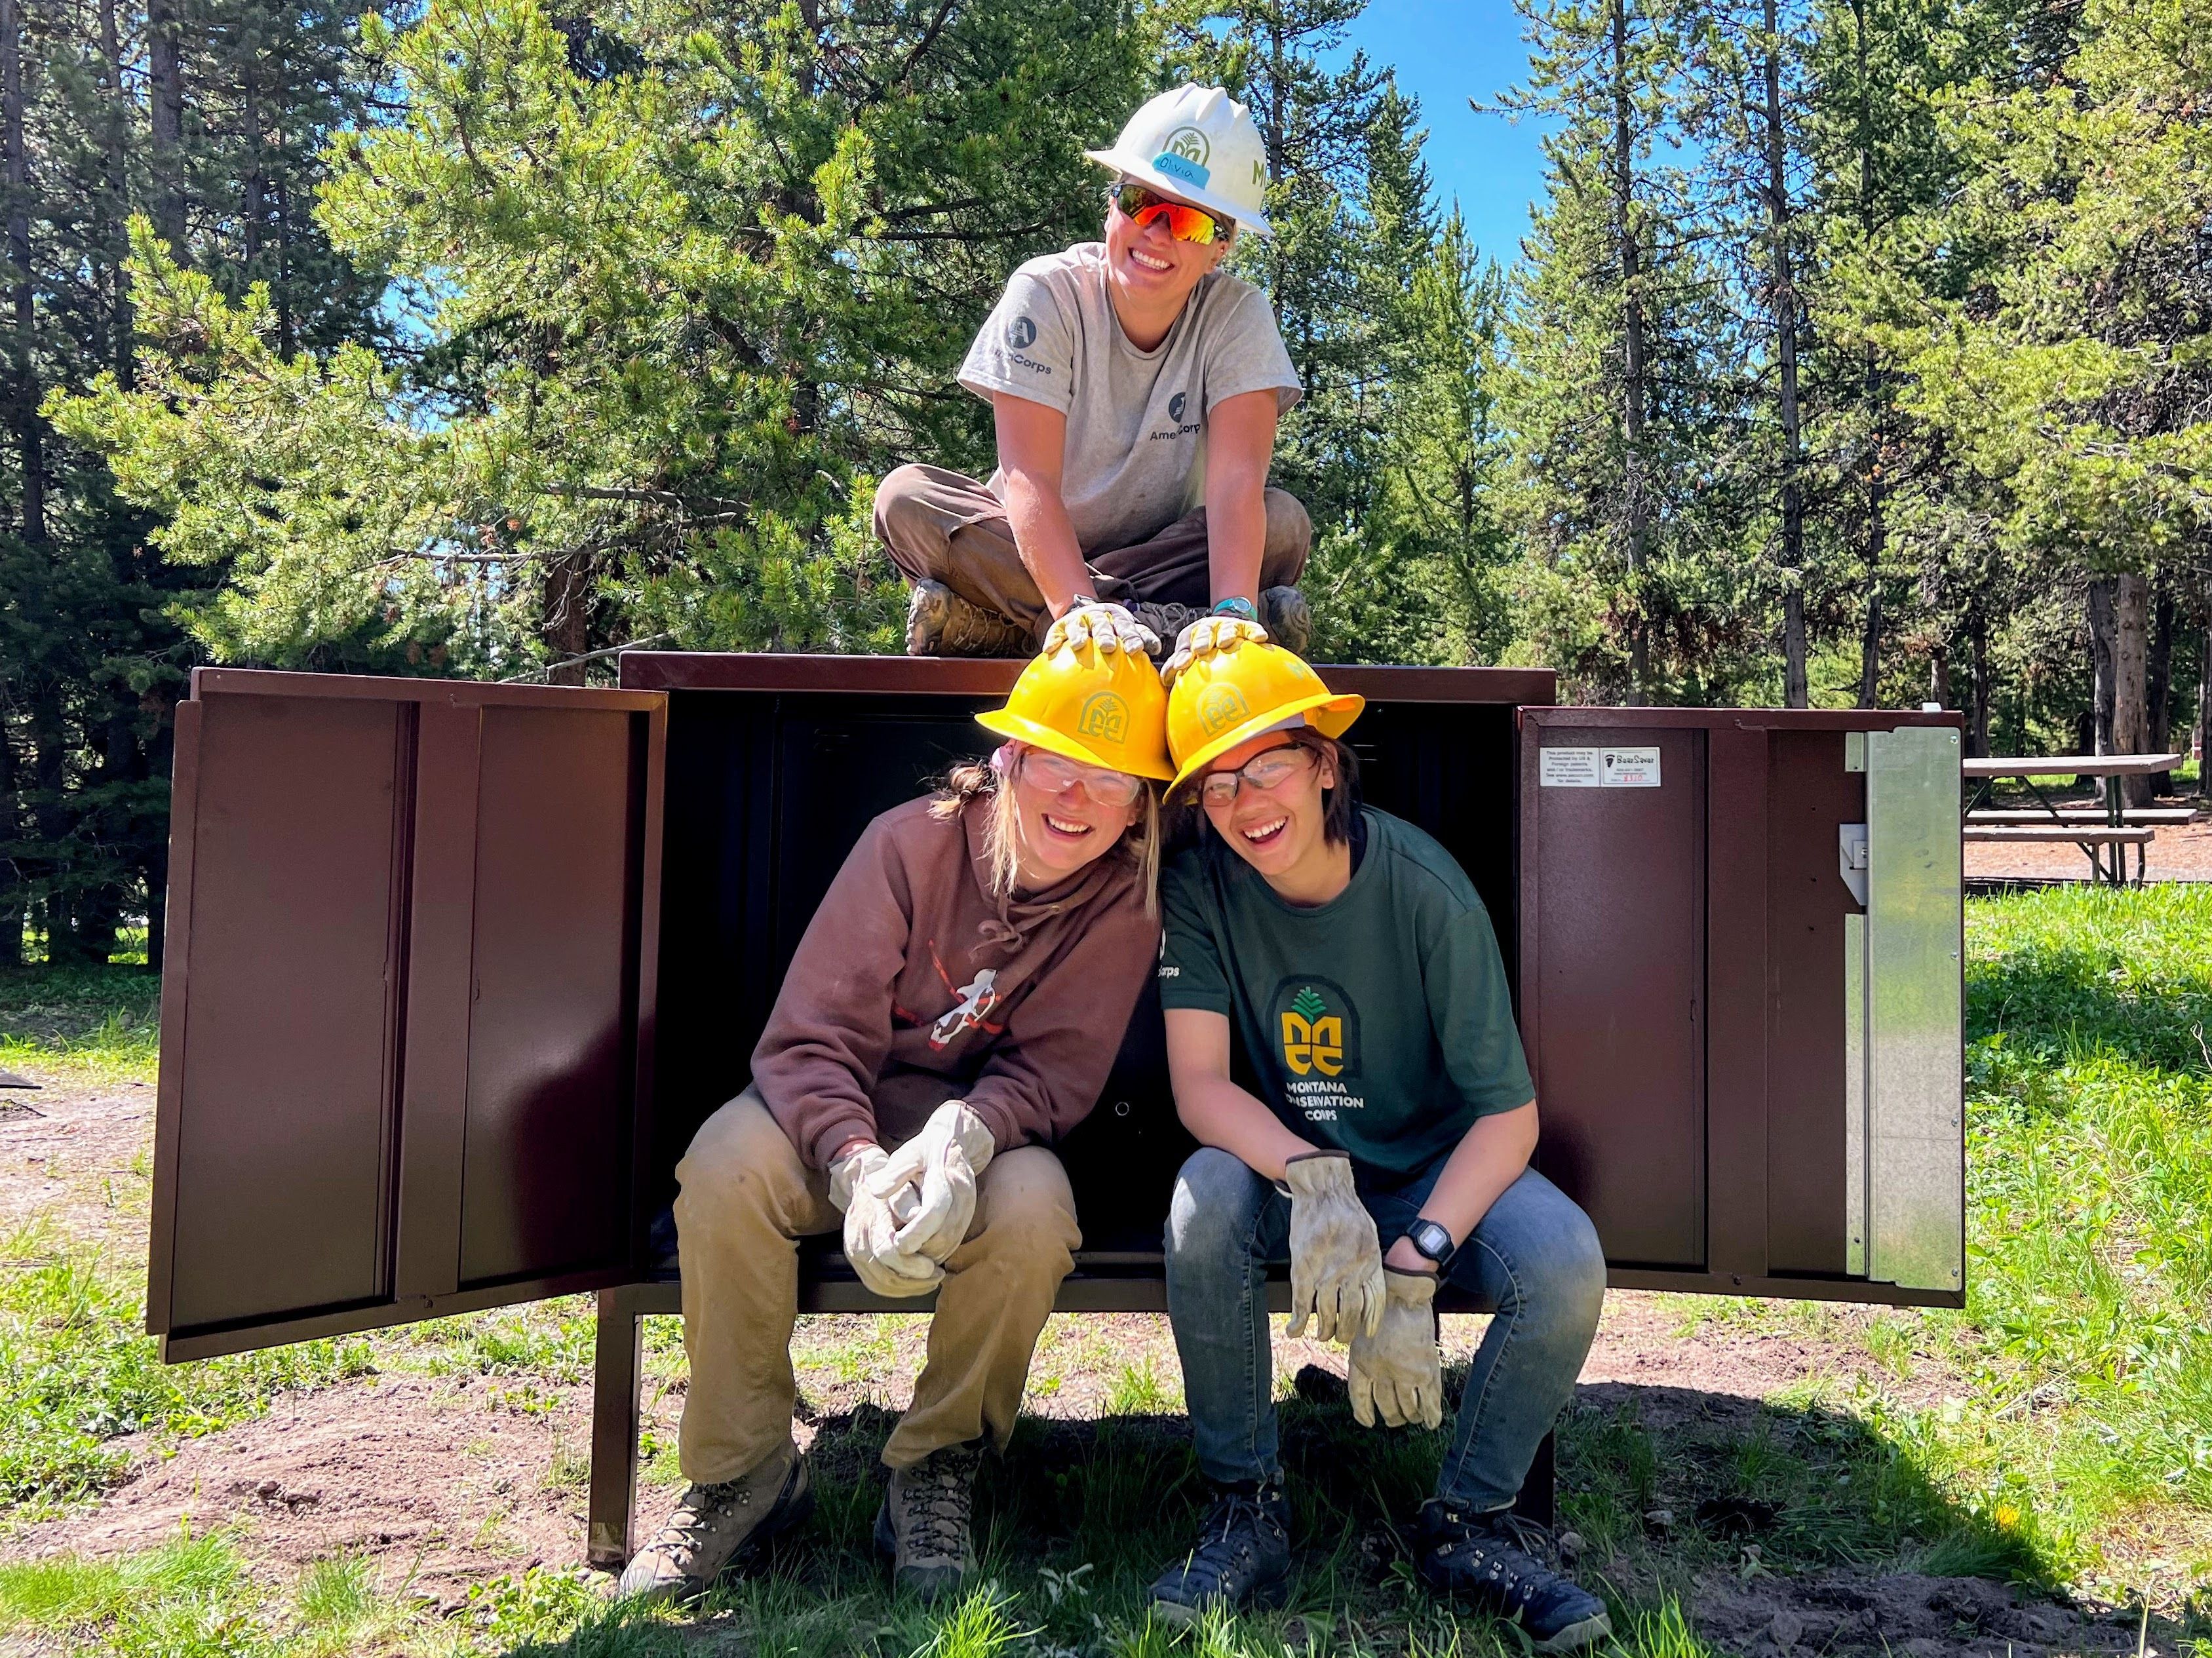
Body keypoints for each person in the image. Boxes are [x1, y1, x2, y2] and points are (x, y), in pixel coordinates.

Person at [618, 642, 1173, 1606]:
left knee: (1038, 1208)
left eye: (1112, 781)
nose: (1076, 799)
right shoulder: (906, 843)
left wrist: (966, 1134)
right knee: (723, 1164)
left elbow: (1052, 1068)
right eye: (1056, 763)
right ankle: (741, 1472)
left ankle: (935, 1461)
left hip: (976, 1143)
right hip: (836, 1122)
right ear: (1007, 762)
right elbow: (808, 1039)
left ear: (1139, 807)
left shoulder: (1123, 895)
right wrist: (855, 1164)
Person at [1144, 642, 1613, 1652]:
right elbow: (1199, 1086)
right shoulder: (1199, 886)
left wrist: (1417, 1263)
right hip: (1291, 1179)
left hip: (1428, 1178)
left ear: (1323, 764)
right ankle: (1243, 1507)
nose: (1243, 801)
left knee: (1563, 1261)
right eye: (1215, 784)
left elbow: (1506, 1116)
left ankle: (1470, 1523)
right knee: (1199, 1202)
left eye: (1266, 765)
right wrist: (1310, 1181)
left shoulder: (1422, 889)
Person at [875, 83, 1311, 666]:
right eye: (1139, 203)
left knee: (1282, 522)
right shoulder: (1046, 291)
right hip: (1028, 547)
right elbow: (1028, 476)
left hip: (1162, 552)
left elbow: (1236, 484)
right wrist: (1076, 603)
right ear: (1110, 204)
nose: (1156, 233)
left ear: (1222, 247)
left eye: (1188, 222)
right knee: (905, 500)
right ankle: (1153, 625)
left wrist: (1232, 611)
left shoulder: (1238, 316)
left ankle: (1011, 626)